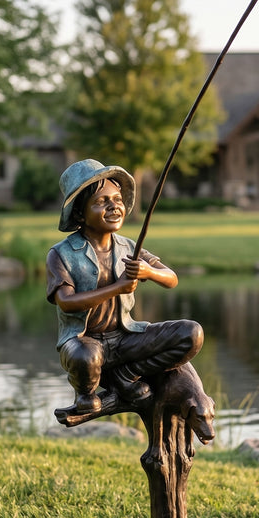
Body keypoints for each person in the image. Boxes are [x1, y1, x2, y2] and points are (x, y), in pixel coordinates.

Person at [47, 158, 204, 414]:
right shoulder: (61, 254)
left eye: (117, 200)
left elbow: (171, 278)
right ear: (79, 213)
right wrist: (117, 288)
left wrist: (149, 271)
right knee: (86, 358)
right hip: (84, 340)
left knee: (191, 333)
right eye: (101, 202)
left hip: (124, 339)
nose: (113, 207)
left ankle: (126, 374)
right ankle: (85, 392)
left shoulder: (128, 247)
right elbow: (66, 302)